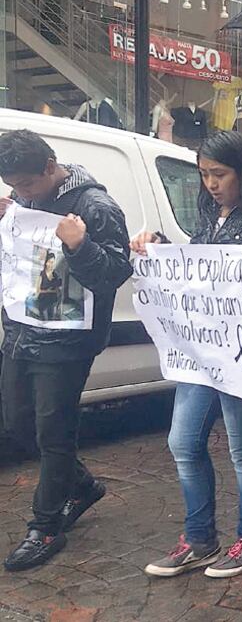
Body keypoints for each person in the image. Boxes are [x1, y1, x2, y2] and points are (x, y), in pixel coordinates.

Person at [133, 131, 242, 579]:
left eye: (219, 174)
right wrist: (155, 247)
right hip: (204, 346)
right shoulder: (210, 212)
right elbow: (196, 266)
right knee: (183, 441)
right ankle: (199, 539)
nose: (211, 183)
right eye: (204, 174)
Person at [0, 130, 132, 572]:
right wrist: (9, 217)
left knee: (53, 432)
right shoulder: (23, 203)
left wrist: (80, 245)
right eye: (14, 186)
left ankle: (45, 525)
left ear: (50, 166)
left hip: (67, 341)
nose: (22, 192)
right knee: (17, 422)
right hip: (22, 331)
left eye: (27, 184)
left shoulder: (96, 207)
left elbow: (114, 273)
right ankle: (82, 486)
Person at [35, 252, 63, 321]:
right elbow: (38, 290)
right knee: (43, 320)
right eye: (50, 262)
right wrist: (49, 290)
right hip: (43, 301)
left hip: (52, 301)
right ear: (46, 263)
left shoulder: (55, 275)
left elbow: (58, 290)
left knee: (51, 319)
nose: (51, 264)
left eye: (53, 262)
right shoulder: (42, 274)